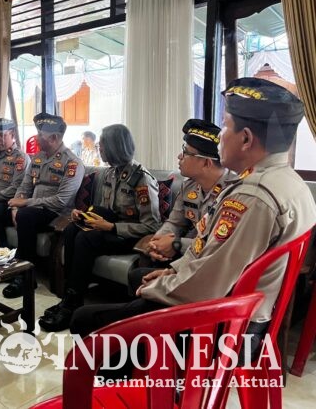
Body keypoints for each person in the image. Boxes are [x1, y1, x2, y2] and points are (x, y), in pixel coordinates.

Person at [70, 78, 316, 359]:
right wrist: (172, 271)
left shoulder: (253, 197)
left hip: (221, 327)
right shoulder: (291, 184)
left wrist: (159, 287)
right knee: (135, 291)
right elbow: (210, 256)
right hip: (243, 313)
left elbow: (207, 285)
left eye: (225, 126)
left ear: (246, 139)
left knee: (84, 320)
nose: (221, 136)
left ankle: (141, 382)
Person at [39, 124, 161, 331]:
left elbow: (151, 225)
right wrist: (83, 215)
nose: (99, 147)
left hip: (130, 236)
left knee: (86, 238)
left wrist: (111, 227)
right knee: (72, 229)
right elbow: (103, 210)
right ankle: (70, 296)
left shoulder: (141, 179)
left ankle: (72, 303)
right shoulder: (110, 174)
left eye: (102, 144)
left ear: (114, 146)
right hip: (109, 228)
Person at [127, 119, 236, 291]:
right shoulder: (189, 186)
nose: (179, 156)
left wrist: (176, 244)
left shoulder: (233, 193)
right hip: (188, 253)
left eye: (186, 152)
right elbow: (175, 223)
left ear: (206, 162)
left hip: (210, 264)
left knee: (140, 276)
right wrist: (157, 242)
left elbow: (217, 245)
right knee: (145, 265)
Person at [3, 113, 85, 298]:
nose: (36, 137)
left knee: (26, 216)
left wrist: (25, 203)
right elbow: (24, 187)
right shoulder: (37, 158)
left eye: (40, 134)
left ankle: (25, 277)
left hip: (56, 214)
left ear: (54, 137)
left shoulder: (72, 163)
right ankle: (2, 266)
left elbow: (61, 200)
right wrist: (15, 207)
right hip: (33, 211)